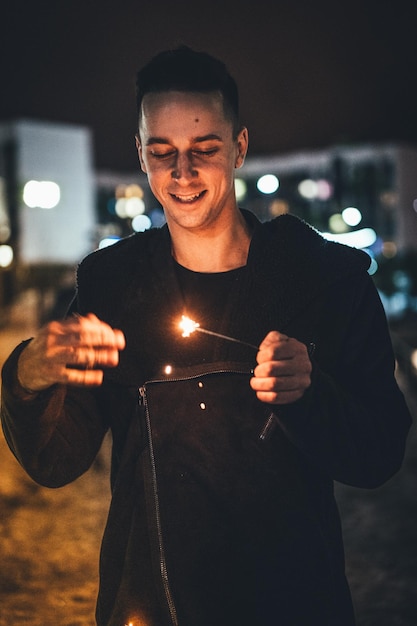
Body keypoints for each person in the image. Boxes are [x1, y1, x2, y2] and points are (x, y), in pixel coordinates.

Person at [0, 46, 412, 626]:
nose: (182, 172)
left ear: (239, 148)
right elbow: (57, 461)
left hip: (295, 604)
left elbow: (380, 453)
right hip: (152, 605)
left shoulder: (324, 282)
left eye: (204, 150)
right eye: (163, 151)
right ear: (140, 155)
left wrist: (312, 394)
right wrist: (27, 376)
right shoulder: (113, 287)